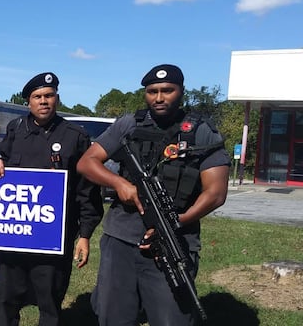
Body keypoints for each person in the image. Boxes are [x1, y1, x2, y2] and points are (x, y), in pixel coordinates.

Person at [77, 64, 229, 326]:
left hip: (173, 241)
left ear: (181, 91)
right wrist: (120, 183)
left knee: (171, 318)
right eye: (152, 91)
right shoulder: (129, 124)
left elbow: (216, 193)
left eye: (167, 91)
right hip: (121, 239)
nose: (159, 98)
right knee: (112, 316)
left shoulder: (201, 131)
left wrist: (175, 223)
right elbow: (87, 162)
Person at [0, 72, 104, 326]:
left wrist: (84, 235)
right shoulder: (16, 129)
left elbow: (87, 190)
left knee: (50, 302)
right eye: (37, 96)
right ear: (28, 101)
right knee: (6, 300)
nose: (43, 101)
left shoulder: (75, 136)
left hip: (54, 236)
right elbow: (1, 160)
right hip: (13, 235)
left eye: (49, 96)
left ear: (57, 99)